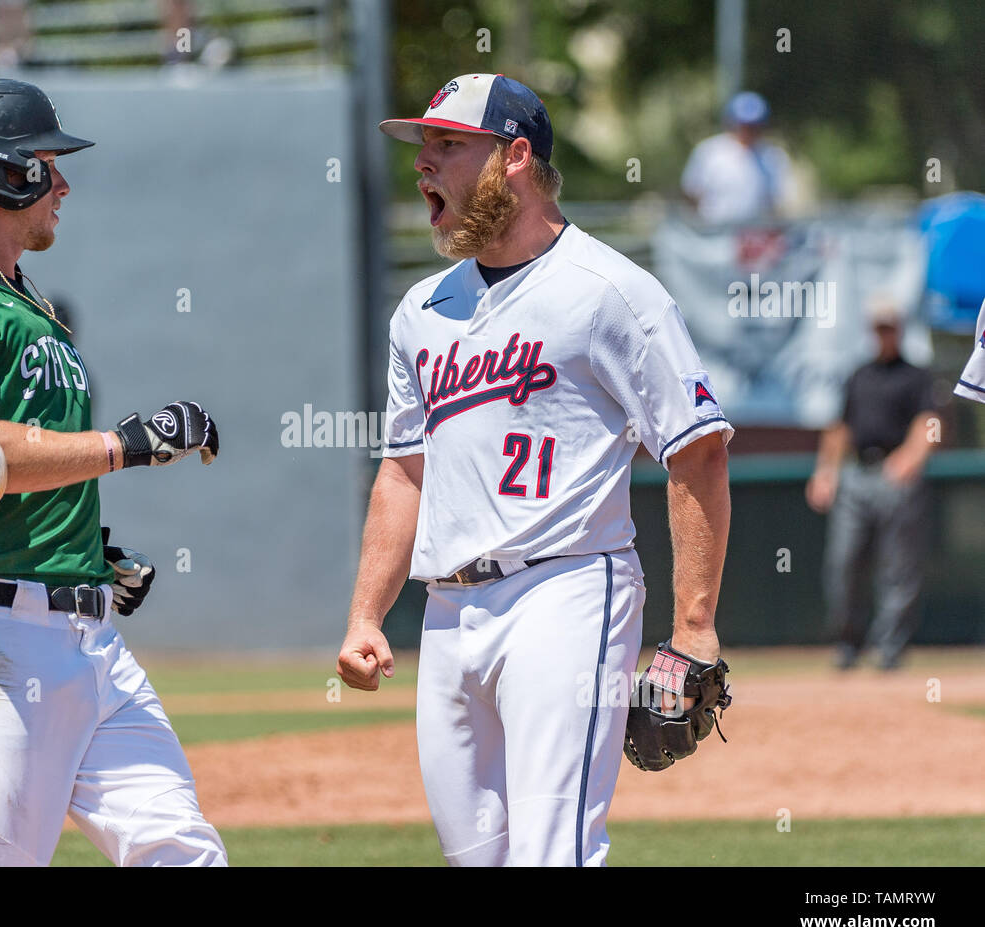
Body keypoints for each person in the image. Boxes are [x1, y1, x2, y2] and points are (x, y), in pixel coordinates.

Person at [336, 73, 734, 866]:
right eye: (424, 146)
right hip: (448, 612)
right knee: (475, 857)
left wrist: (694, 626)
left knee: (553, 851)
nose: (424, 164)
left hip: (567, 590)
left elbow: (697, 449)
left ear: (514, 157)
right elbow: (403, 474)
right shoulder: (422, 311)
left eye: (448, 145)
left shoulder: (611, 292)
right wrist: (365, 616)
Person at [0, 78, 226, 866]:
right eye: (46, 161)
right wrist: (128, 445)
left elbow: (15, 475)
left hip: (87, 639)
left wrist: (83, 551)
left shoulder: (23, 300)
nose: (62, 181)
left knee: (181, 851)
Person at [806, 302, 938, 670]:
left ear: (899, 330)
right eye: (878, 328)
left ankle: (889, 649)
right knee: (843, 562)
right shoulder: (859, 374)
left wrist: (911, 456)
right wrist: (825, 472)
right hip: (857, 475)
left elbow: (930, 422)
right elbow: (839, 427)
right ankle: (848, 643)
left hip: (897, 474)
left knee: (897, 568)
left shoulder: (917, 376)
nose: (883, 334)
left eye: (889, 327)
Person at [681, 91, 795, 225]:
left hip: (755, 235)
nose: (749, 131)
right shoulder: (709, 152)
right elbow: (692, 193)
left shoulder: (773, 157)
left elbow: (776, 202)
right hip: (714, 234)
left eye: (755, 126)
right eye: (744, 125)